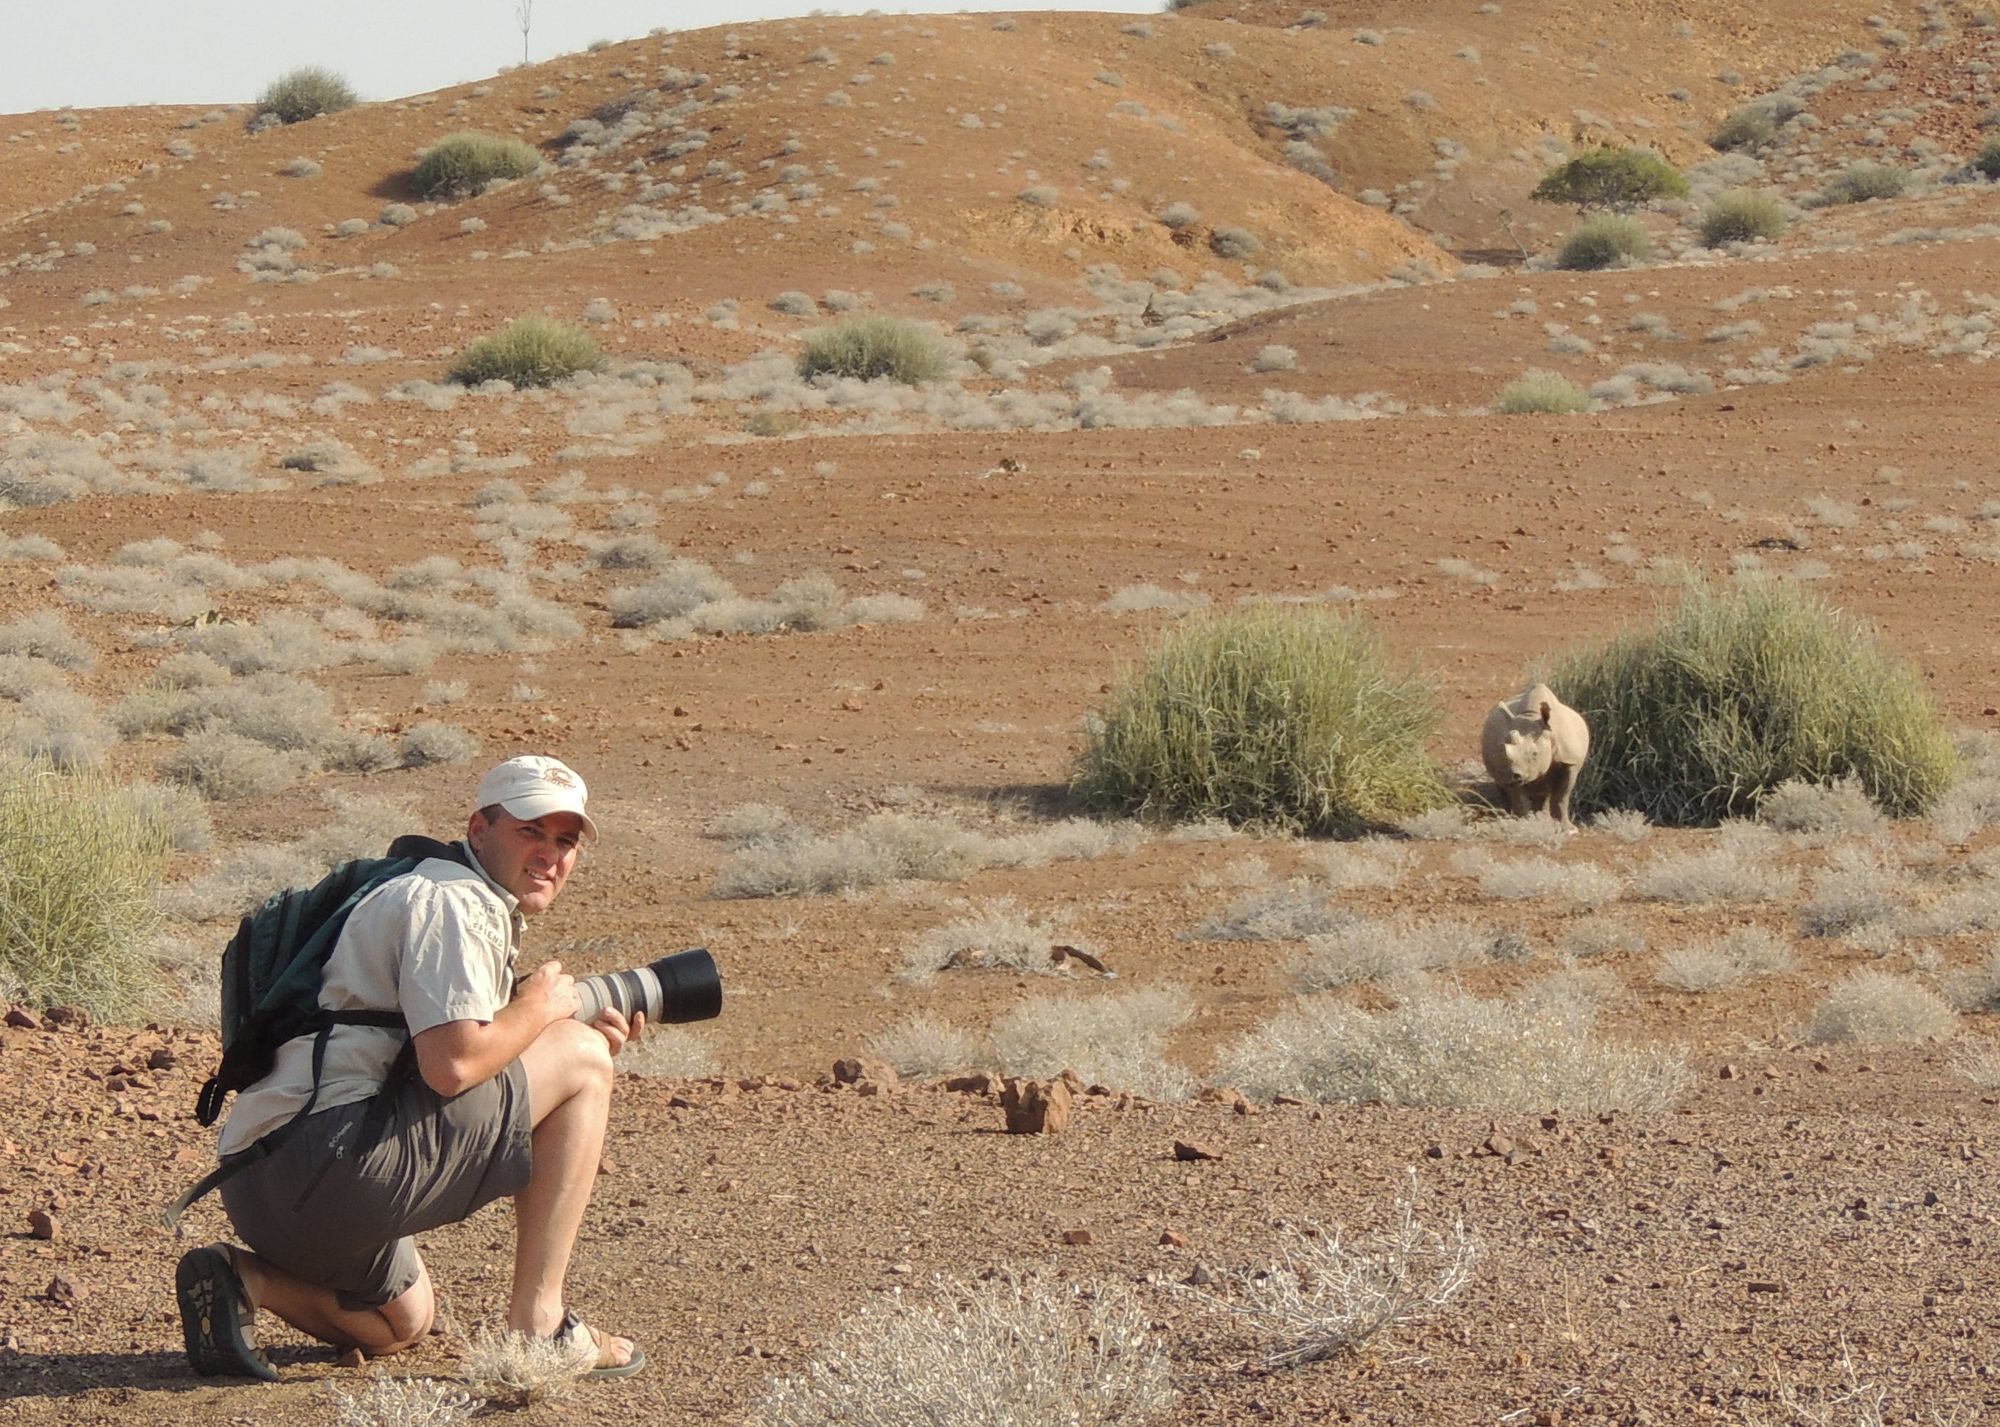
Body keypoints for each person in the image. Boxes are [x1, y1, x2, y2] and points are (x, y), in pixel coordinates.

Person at [175, 754, 645, 1381]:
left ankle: (246, 1278)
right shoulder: (455, 900)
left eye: (565, 841)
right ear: (479, 828)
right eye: (529, 831)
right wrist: (547, 1012)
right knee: (583, 1063)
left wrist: (542, 1022)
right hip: (332, 1164)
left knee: (401, 1321)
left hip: (258, 1186)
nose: (550, 855)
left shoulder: (416, 885)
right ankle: (542, 1327)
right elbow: (453, 1065)